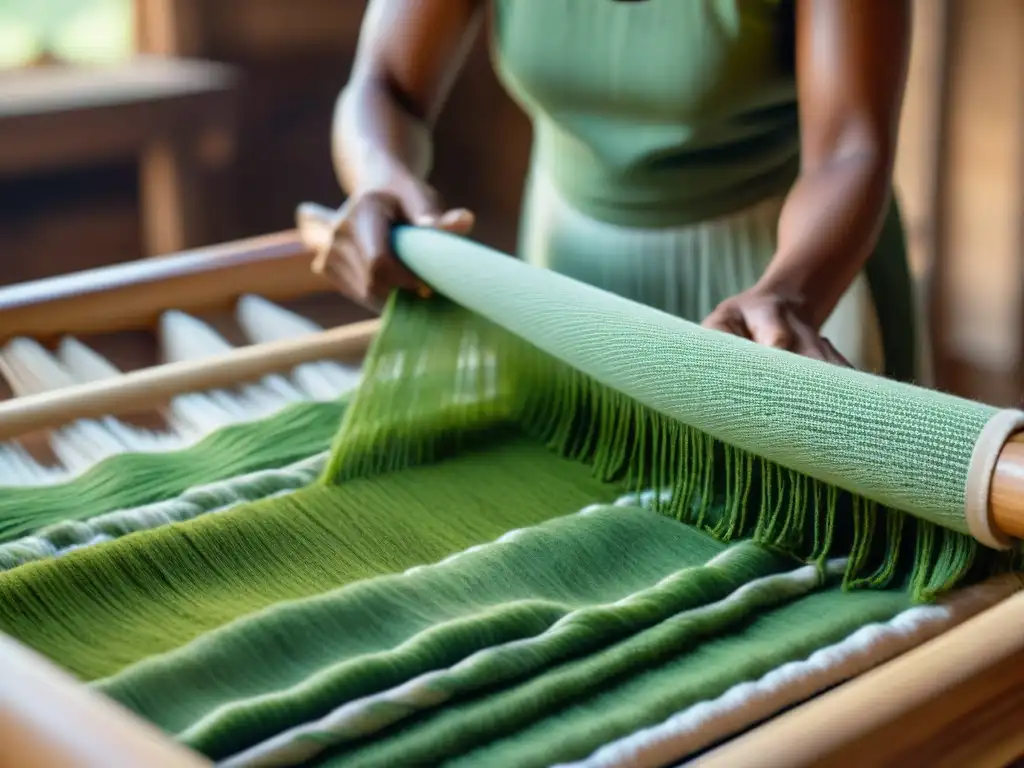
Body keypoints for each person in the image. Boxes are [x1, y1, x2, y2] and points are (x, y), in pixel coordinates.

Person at [319, 0, 916, 379]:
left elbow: (848, 149)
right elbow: (384, 83)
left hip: (784, 285)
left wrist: (791, 295)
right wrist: (378, 175)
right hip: (569, 278)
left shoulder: (790, 297)